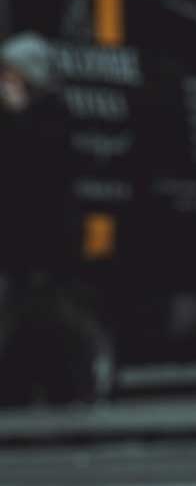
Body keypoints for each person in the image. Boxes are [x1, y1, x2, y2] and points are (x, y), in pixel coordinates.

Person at [0, 33, 105, 405]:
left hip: (46, 240)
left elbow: (39, 173)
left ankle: (69, 386)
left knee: (49, 316)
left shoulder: (49, 115)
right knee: (29, 317)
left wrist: (19, 117)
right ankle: (26, 388)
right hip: (21, 240)